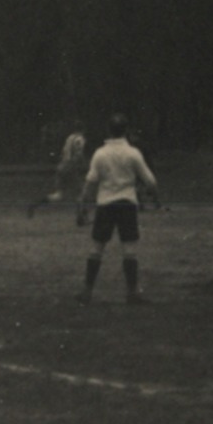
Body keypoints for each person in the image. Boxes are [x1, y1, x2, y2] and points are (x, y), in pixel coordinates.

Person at [76, 113, 162, 305]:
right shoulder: (133, 153)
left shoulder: (100, 153)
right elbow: (150, 181)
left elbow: (90, 183)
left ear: (109, 130)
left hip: (105, 203)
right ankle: (132, 293)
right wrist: (156, 198)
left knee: (97, 248)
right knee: (129, 249)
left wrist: (83, 204)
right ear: (126, 131)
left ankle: (87, 292)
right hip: (127, 204)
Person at [27, 122, 87, 220]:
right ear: (83, 129)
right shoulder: (80, 139)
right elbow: (78, 155)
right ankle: (81, 216)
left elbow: (64, 152)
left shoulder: (70, 137)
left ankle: (35, 204)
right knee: (80, 192)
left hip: (61, 166)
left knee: (59, 195)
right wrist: (82, 164)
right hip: (70, 167)